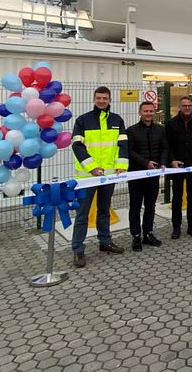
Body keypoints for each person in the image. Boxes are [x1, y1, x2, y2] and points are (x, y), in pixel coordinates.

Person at [70, 86, 129, 268]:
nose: (101, 101)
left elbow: (123, 145)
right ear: (94, 99)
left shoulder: (117, 120)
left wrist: (121, 166)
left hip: (109, 176)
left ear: (110, 100)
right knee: (83, 214)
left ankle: (105, 242)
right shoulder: (83, 120)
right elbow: (77, 146)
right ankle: (78, 249)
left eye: (105, 98)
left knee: (104, 210)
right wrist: (93, 168)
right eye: (99, 98)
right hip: (88, 176)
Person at [126, 101, 169, 252]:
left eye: (151, 111)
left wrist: (163, 163)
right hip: (137, 175)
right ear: (140, 113)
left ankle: (148, 233)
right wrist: (145, 163)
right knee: (135, 206)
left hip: (154, 176)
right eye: (146, 111)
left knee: (151, 205)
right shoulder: (131, 131)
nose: (149, 113)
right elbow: (129, 152)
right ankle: (136, 236)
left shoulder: (160, 130)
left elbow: (165, 148)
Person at [166, 96, 192, 239]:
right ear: (179, 107)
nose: (187, 108)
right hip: (177, 167)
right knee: (176, 198)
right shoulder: (171, 123)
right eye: (184, 105)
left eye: (189, 105)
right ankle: (176, 228)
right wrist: (171, 161)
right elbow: (167, 146)